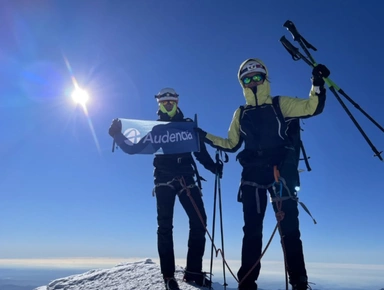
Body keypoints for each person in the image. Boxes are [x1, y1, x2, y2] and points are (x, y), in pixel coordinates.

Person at [196, 59, 330, 290]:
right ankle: (247, 282)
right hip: (253, 177)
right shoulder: (241, 113)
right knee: (252, 231)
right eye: (247, 79)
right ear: (242, 84)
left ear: (265, 78)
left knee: (289, 230)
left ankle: (299, 282)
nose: (252, 83)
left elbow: (312, 107)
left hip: (279, 173)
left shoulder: (280, 104)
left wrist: (317, 83)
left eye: (257, 77)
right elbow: (231, 143)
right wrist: (203, 135)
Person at [108, 88, 221, 290]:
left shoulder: (187, 127)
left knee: (199, 222)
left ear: (177, 103)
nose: (168, 105)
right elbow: (133, 148)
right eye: (164, 102)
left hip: (185, 177)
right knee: (165, 227)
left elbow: (200, 153)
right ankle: (168, 277)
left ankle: (193, 272)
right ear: (159, 104)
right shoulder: (156, 129)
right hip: (165, 180)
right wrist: (117, 136)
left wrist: (213, 167)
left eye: (171, 102)